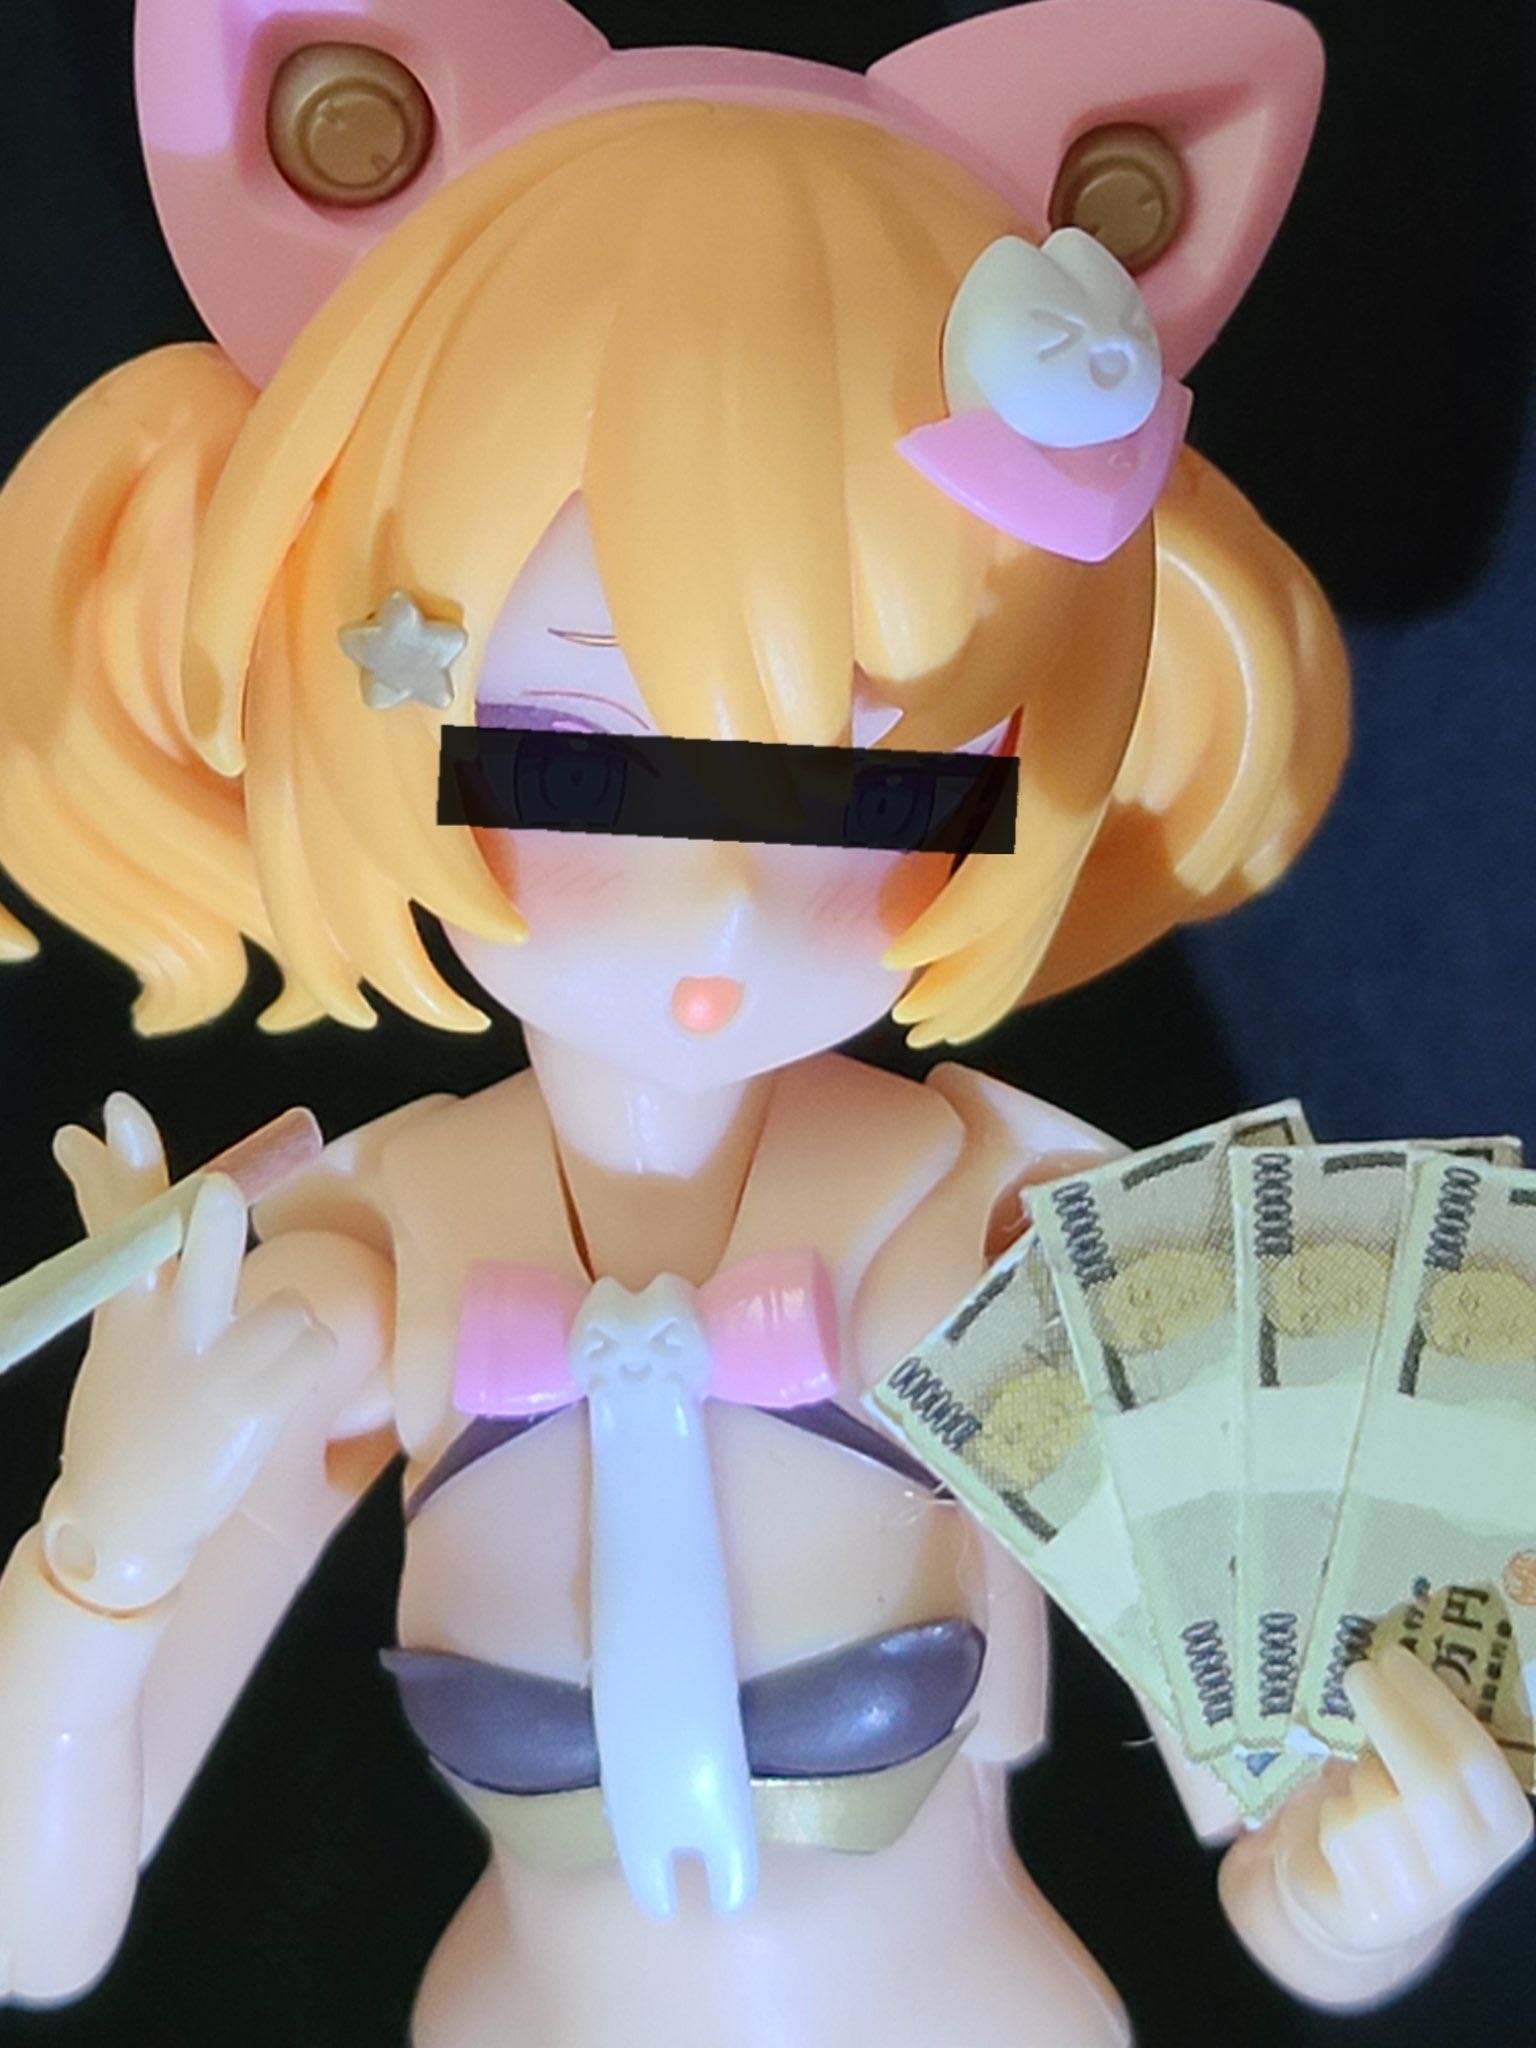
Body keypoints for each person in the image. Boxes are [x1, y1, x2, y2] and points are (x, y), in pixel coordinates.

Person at [0, 3, 1525, 2038]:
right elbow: (35, 1932)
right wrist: (93, 1559)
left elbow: (1293, 1881)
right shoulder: (358, 1276)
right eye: (569, 764)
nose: (723, 907)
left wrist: (1366, 1882)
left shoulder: (1010, 1236)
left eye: (887, 790)